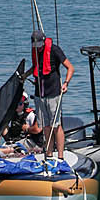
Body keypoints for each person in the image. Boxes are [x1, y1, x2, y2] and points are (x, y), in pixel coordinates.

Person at [28, 28, 73, 158]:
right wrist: (25, 76)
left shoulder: (54, 50)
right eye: (35, 46)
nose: (38, 48)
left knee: (55, 125)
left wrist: (66, 83)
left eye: (40, 45)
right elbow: (36, 67)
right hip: (40, 94)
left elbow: (70, 67)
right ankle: (48, 154)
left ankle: (60, 155)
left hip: (54, 93)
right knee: (45, 126)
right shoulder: (35, 51)